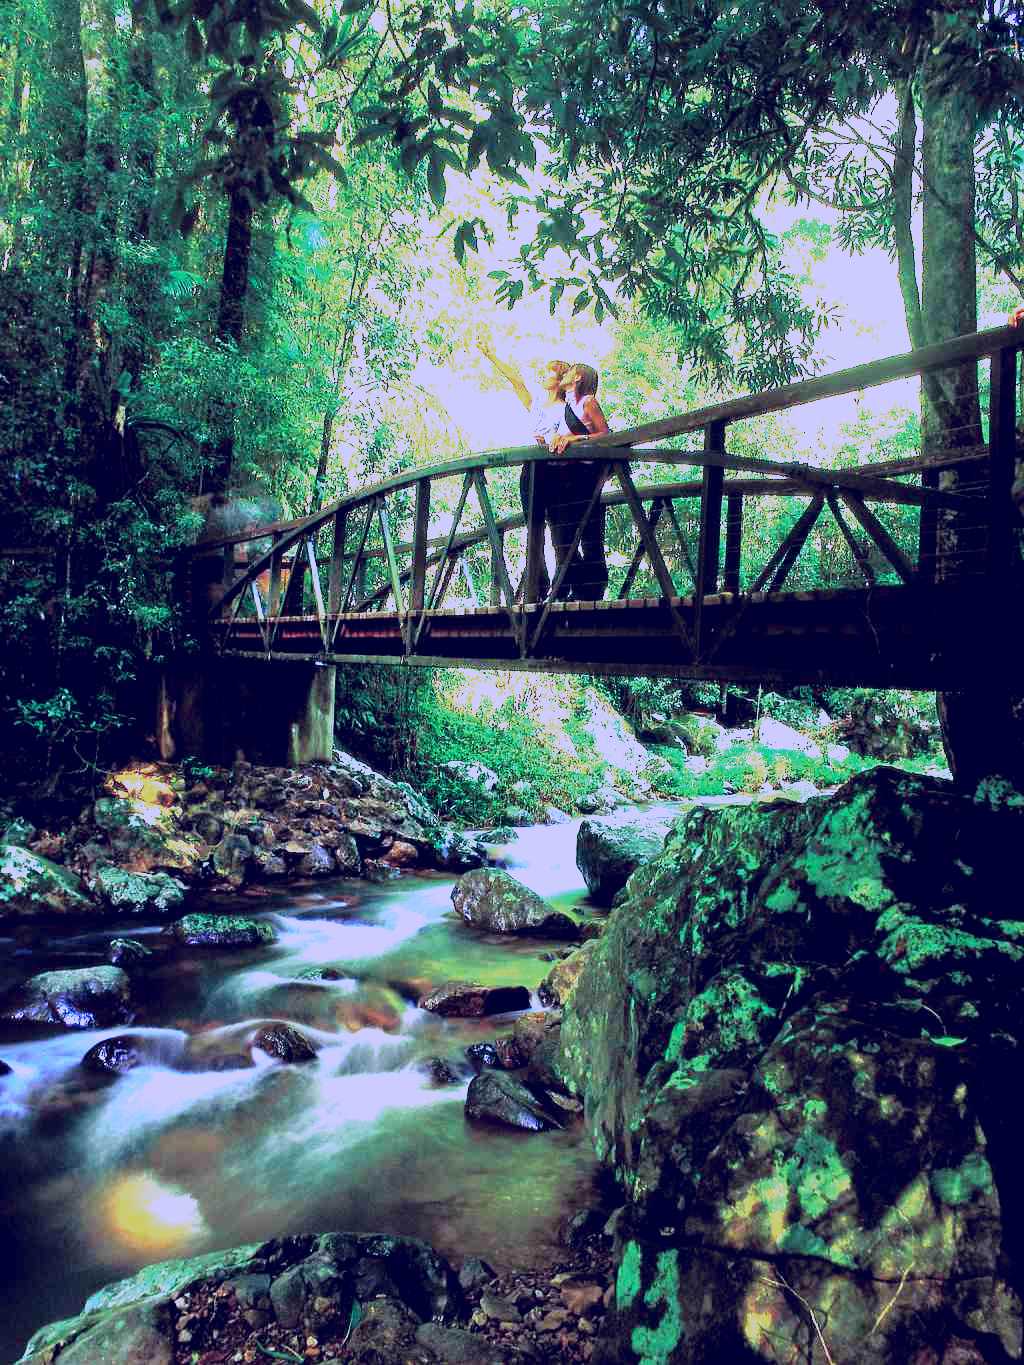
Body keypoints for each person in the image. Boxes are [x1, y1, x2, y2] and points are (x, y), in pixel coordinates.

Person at [476, 337, 570, 599]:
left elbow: (571, 435)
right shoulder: (537, 403)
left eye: (550, 372)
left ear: (559, 379)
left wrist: (554, 440)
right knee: (534, 526)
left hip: (556, 469)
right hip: (532, 469)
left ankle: (562, 587)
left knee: (558, 527)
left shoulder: (567, 408)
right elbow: (516, 381)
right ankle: (538, 586)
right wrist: (491, 355)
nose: (544, 375)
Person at [547, 363, 612, 601]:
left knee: (587, 531)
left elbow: (606, 435)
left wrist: (577, 439)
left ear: (578, 377)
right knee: (564, 532)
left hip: (586, 475)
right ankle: (575, 584)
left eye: (569, 372)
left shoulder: (588, 402)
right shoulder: (568, 405)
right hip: (568, 475)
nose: (564, 375)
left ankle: (592, 588)